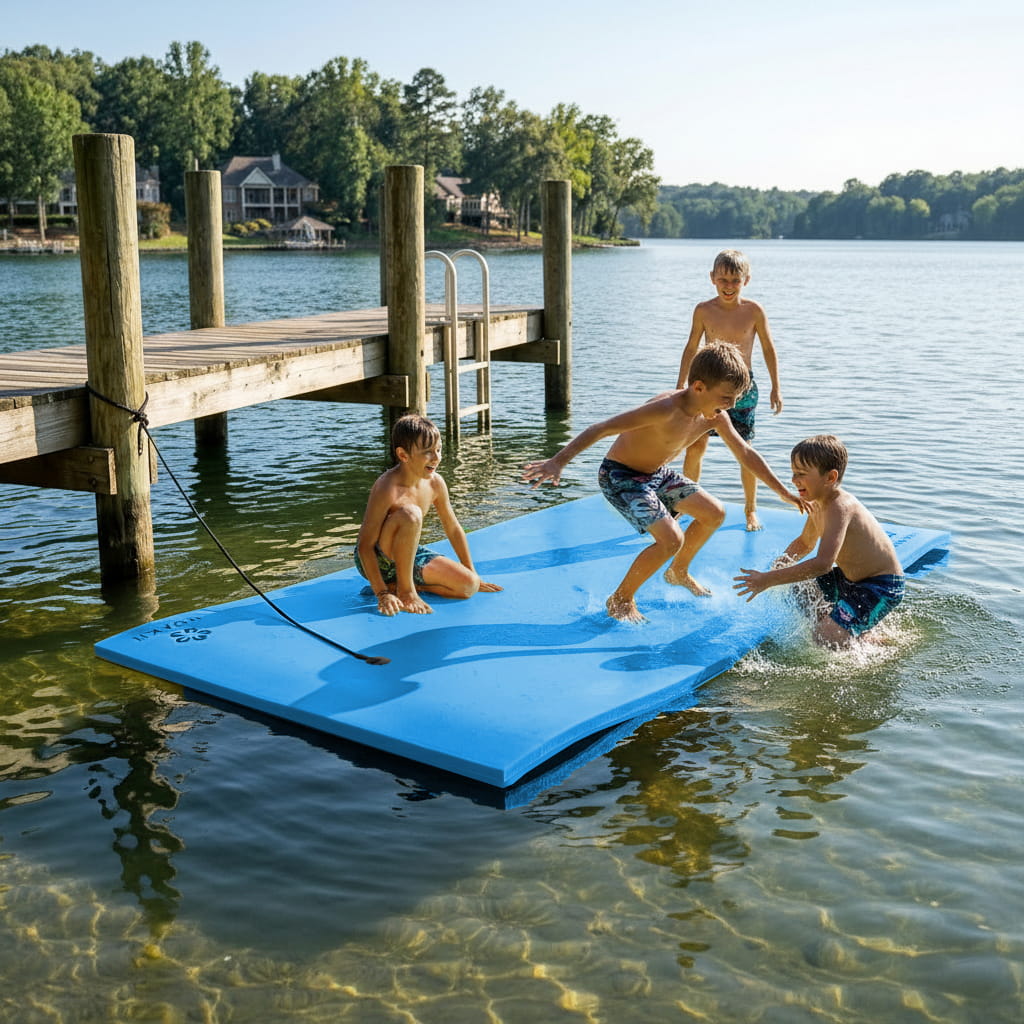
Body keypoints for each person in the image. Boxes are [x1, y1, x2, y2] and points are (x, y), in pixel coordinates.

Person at [522, 342, 809, 623]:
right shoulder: (665, 408)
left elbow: (746, 453)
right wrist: (558, 461)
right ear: (698, 387)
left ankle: (678, 572)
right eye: (725, 398)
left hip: (657, 473)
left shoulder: (715, 417)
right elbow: (602, 428)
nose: (731, 406)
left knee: (714, 513)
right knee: (671, 539)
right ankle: (620, 599)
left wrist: (783, 492)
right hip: (620, 476)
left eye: (734, 399)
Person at [732, 435, 905, 647]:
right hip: (849, 580)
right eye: (794, 473)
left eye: (802, 474)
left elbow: (823, 564)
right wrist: (781, 564)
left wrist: (769, 579)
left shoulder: (839, 507)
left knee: (825, 637)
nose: (794, 480)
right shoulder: (816, 504)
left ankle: (847, 636)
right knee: (797, 588)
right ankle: (845, 629)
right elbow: (805, 543)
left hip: (881, 585)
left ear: (830, 478)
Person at [677, 249, 783, 532]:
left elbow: (768, 349)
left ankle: (750, 509)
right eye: (722, 279)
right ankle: (689, 503)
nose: (728, 286)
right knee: (695, 445)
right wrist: (681, 385)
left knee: (744, 449)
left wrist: (776, 387)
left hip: (743, 388)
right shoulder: (703, 310)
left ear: (746, 280)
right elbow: (691, 348)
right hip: (708, 387)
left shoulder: (754, 311)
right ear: (712, 278)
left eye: (735, 280)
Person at [355, 413, 502, 615]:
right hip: (378, 558)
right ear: (403, 455)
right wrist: (380, 593)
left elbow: (453, 528)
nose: (437, 458)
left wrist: (472, 572)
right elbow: (364, 546)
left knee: (469, 586)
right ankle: (406, 592)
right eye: (427, 452)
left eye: (439, 450)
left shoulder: (435, 483)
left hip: (407, 554)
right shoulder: (387, 487)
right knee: (411, 513)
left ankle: (397, 586)